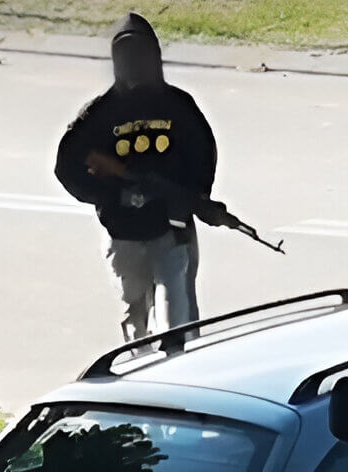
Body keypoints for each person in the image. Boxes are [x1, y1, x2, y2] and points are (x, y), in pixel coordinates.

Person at [54, 12, 221, 342]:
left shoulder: (178, 106)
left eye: (141, 54)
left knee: (177, 321)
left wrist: (196, 197)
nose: (134, 63)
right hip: (124, 234)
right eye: (126, 55)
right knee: (135, 321)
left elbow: (203, 154)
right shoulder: (99, 115)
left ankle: (179, 365)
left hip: (172, 231)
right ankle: (139, 370)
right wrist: (111, 195)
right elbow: (67, 167)